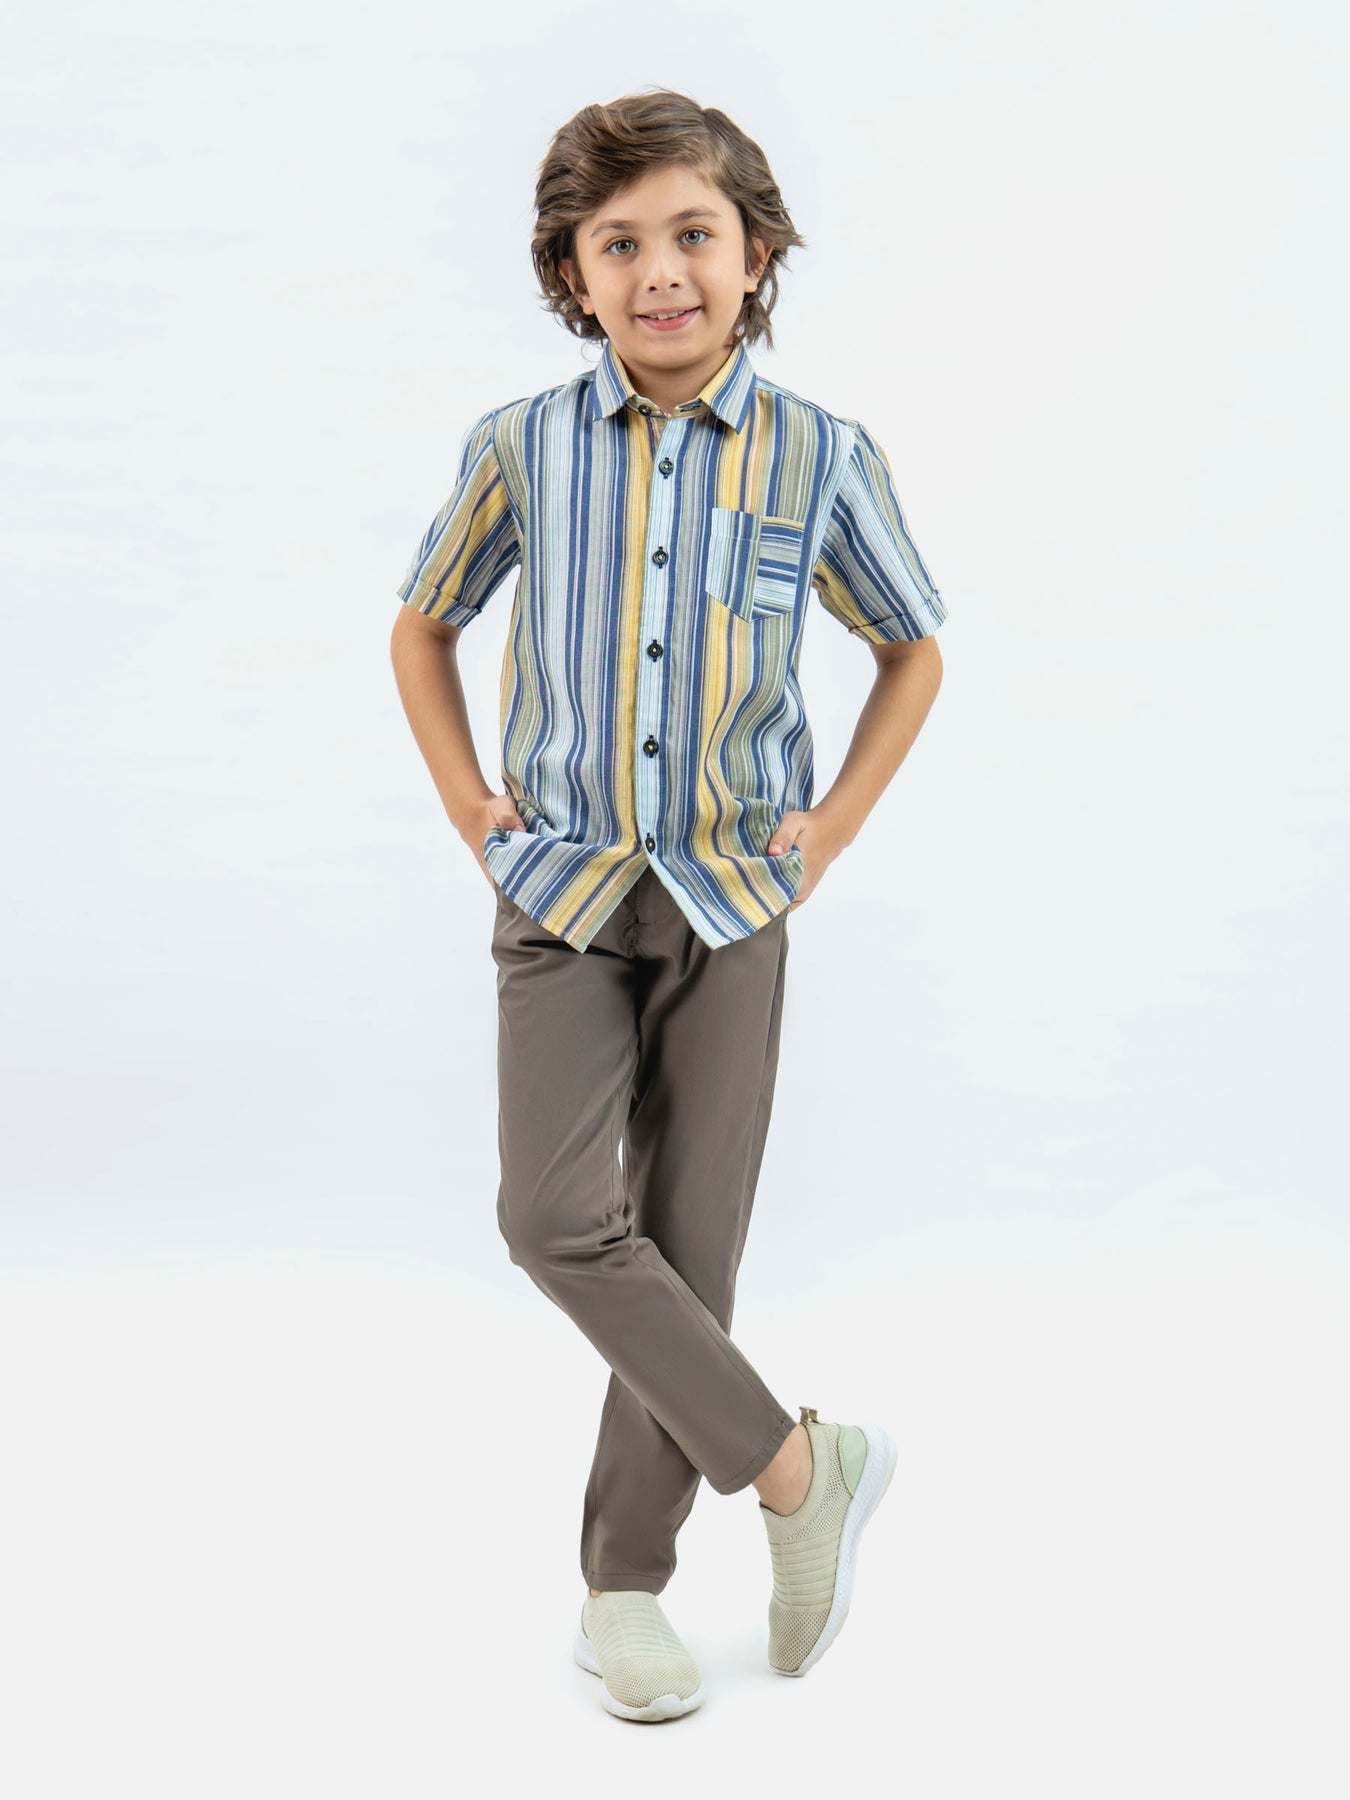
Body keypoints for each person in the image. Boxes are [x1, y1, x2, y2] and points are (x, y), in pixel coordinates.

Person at [389, 88, 948, 1723]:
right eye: (617, 243)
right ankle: (799, 1470)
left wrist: (830, 829)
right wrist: (468, 803)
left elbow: (909, 646)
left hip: (733, 897)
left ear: (753, 253)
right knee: (555, 1221)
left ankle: (621, 1588)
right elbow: (423, 623)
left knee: (690, 1255)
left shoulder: (819, 456)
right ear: (569, 274)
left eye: (692, 235)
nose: (659, 273)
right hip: (560, 889)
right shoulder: (521, 446)